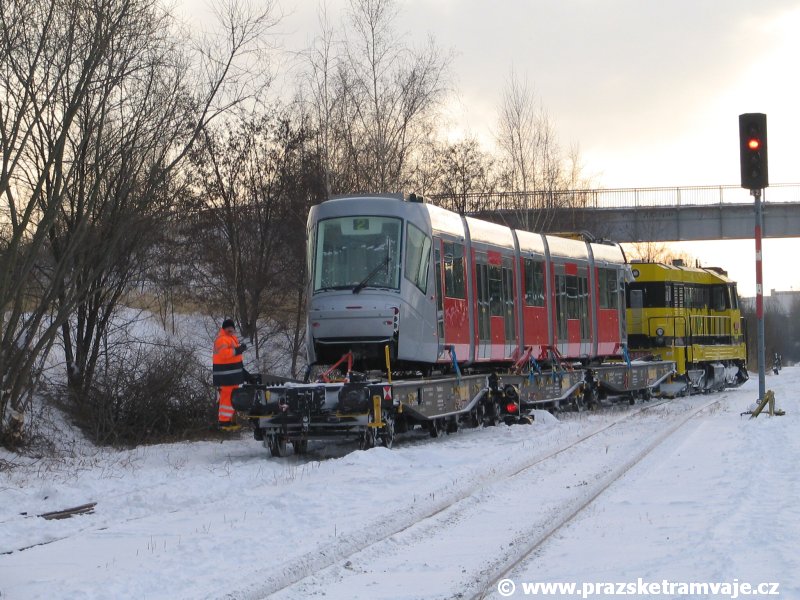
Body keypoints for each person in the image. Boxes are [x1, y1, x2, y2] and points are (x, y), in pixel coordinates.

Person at [212, 319, 248, 428]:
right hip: (225, 375)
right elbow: (224, 354)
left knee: (232, 397)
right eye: (228, 327)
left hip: (231, 375)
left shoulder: (232, 339)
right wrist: (238, 350)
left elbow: (234, 357)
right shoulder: (222, 339)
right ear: (224, 328)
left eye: (232, 327)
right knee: (227, 398)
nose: (230, 329)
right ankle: (224, 421)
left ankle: (228, 420)